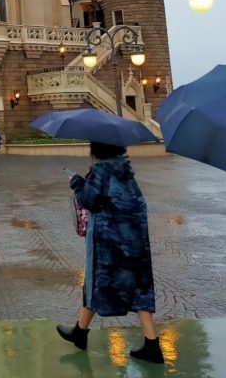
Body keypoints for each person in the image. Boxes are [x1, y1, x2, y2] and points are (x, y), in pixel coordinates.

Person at [57, 141, 163, 364]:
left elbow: (90, 201)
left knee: (97, 281)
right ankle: (151, 345)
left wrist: (77, 182)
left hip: (109, 242)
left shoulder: (101, 170)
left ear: (97, 149)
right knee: (138, 288)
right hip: (134, 241)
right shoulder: (125, 169)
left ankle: (80, 333)